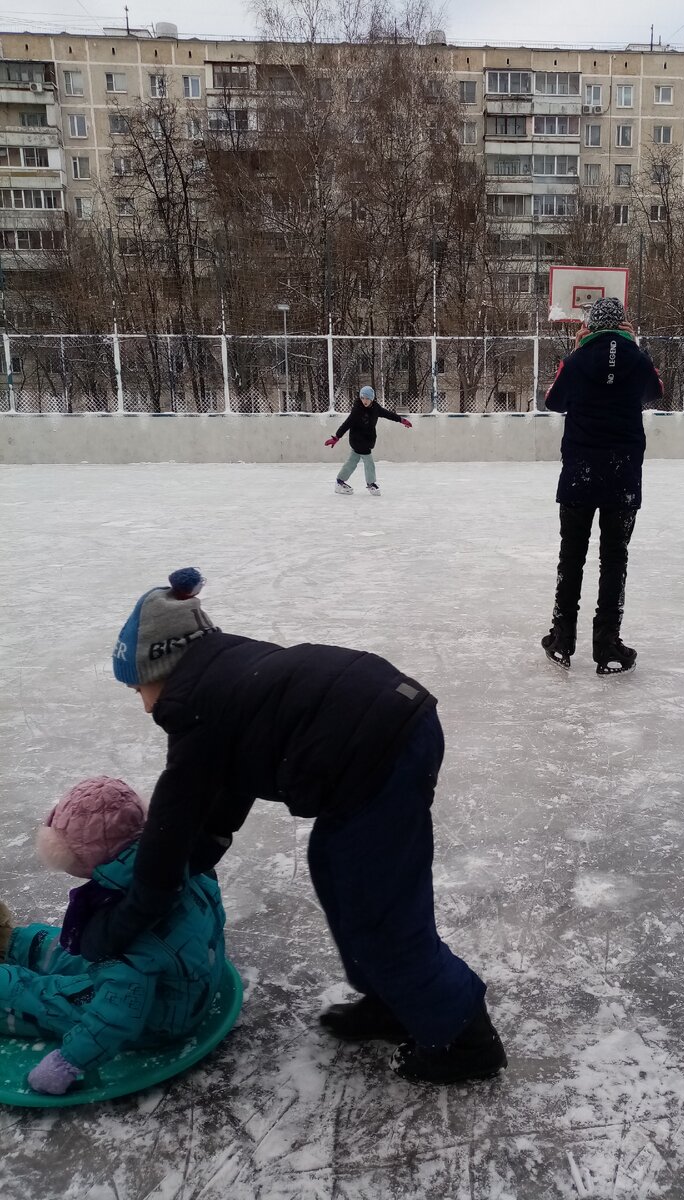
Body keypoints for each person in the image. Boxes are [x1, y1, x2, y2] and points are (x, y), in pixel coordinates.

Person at [76, 568, 506, 1085]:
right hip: (384, 727)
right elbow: (227, 784)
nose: (141, 701)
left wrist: (118, 927)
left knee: (379, 911)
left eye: (137, 686)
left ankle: (467, 1039)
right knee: (337, 869)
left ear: (161, 665)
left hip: (380, 751)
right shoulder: (221, 677)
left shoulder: (194, 710)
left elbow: (168, 837)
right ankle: (395, 1001)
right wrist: (203, 851)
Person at [0, 776, 227, 1096]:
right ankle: (10, 942)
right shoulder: (177, 862)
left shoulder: (129, 932)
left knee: (44, 994)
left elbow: (115, 1018)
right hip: (185, 982)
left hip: (159, 1017)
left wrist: (67, 1063)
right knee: (61, 947)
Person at [542, 297, 664, 675]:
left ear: (589, 326)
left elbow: (553, 401)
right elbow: (653, 392)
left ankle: (562, 640)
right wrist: (630, 353)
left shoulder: (576, 361)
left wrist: (582, 354)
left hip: (579, 472)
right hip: (623, 474)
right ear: (625, 325)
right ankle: (608, 646)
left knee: (572, 557)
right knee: (615, 559)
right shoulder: (640, 360)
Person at [325, 384, 412, 496]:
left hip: (367, 440)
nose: (364, 401)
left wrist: (401, 420)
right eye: (362, 398)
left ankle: (339, 481)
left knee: (352, 462)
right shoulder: (357, 410)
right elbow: (347, 423)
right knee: (369, 462)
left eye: (367, 398)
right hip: (358, 440)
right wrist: (337, 437)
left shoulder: (376, 408)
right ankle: (371, 484)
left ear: (372, 399)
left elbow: (388, 414)